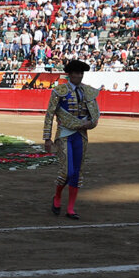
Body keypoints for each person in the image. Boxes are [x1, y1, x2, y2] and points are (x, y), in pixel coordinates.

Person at [43, 59, 100, 220]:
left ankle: (70, 208)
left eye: (81, 73)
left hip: (80, 135)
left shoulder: (87, 91)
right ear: (70, 74)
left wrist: (90, 123)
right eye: (77, 73)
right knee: (67, 171)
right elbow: (49, 115)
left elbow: (93, 115)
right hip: (64, 135)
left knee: (77, 172)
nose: (80, 76)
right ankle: (57, 197)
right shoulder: (59, 91)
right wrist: (47, 138)